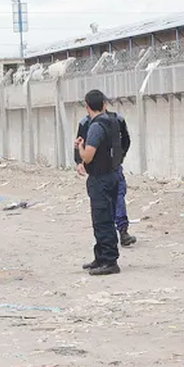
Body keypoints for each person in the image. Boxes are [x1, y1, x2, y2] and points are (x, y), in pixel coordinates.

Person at [75, 90, 124, 276]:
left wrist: (80, 147)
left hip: (100, 178)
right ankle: (101, 257)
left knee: (102, 219)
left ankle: (110, 260)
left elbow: (88, 156)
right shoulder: (113, 121)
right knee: (105, 218)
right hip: (112, 174)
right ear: (104, 104)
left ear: (87, 106)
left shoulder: (95, 127)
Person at [74, 107, 137, 247]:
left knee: (116, 200)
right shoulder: (87, 123)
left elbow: (125, 140)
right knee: (104, 209)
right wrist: (79, 161)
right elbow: (79, 142)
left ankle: (121, 232)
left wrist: (118, 158)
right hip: (100, 172)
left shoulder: (116, 120)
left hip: (110, 171)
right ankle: (107, 246)